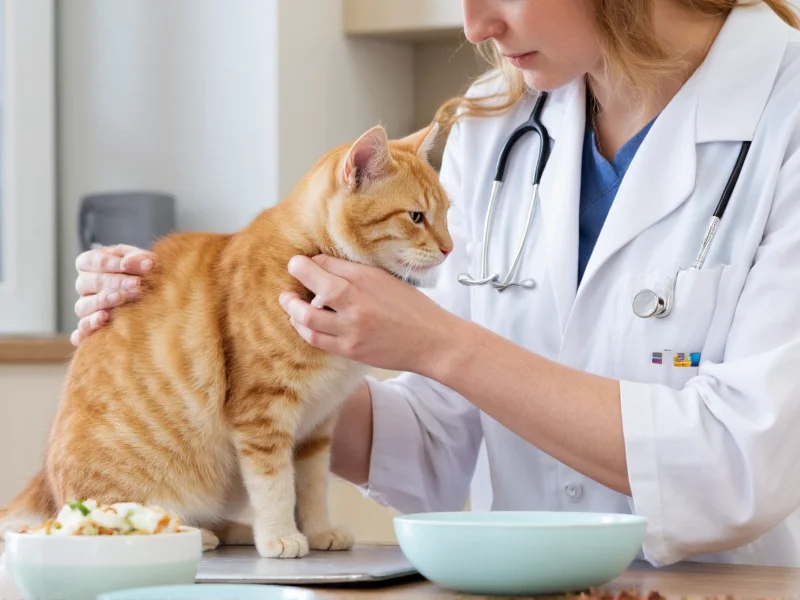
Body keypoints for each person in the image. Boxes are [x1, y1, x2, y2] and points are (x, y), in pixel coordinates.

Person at [71, 0, 800, 567]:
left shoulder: (784, 111)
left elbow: (736, 466)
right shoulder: (498, 119)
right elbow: (440, 441)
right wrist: (207, 343)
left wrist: (439, 344)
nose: (474, 23)